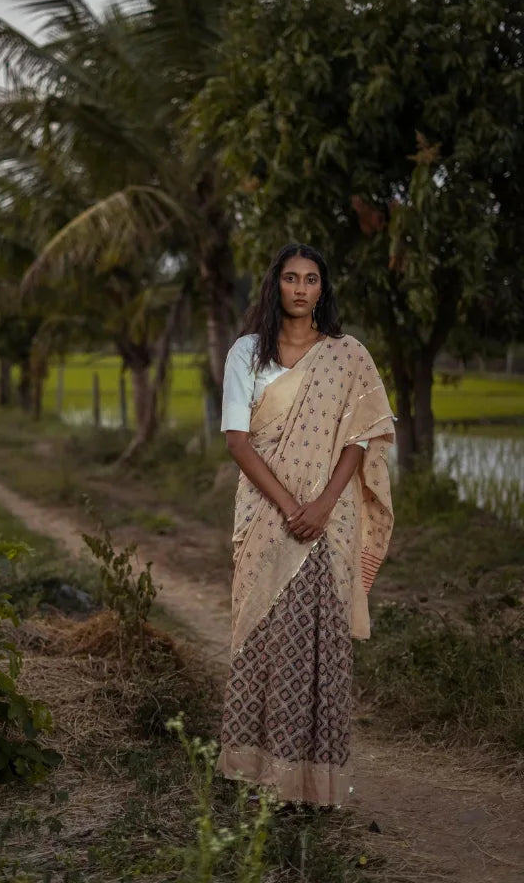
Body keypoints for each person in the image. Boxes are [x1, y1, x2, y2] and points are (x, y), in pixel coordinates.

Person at [215, 242, 395, 809]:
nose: (300, 288)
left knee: (318, 642)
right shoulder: (247, 352)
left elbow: (360, 438)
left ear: (323, 288)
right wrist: (292, 504)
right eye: (290, 278)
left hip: (329, 517)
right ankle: (255, 775)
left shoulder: (346, 355)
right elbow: (238, 441)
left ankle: (310, 787)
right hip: (266, 515)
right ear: (275, 286)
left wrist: (320, 505)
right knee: (261, 637)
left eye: (311, 279)